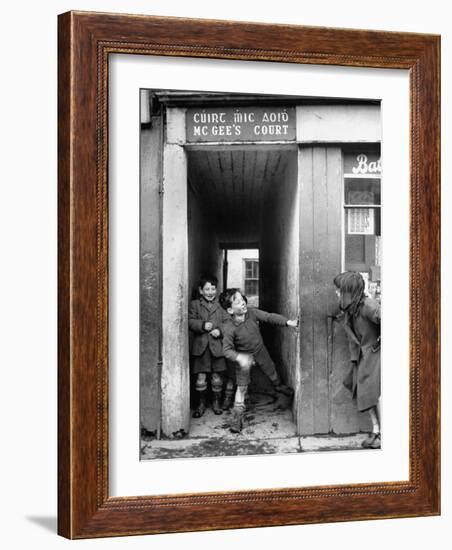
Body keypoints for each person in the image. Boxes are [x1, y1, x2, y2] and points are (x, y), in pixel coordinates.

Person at [219, 288, 298, 433]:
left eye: (242, 299)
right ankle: (237, 418)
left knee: (271, 370)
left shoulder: (252, 313)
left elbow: (269, 317)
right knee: (242, 387)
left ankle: (279, 387)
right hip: (243, 357)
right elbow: (227, 350)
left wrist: (288, 322)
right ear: (230, 310)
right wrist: (240, 357)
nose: (242, 303)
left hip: (260, 350)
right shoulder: (229, 328)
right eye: (237, 302)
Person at [334, 271, 381, 449]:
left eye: (339, 290)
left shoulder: (369, 305)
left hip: (375, 356)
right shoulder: (351, 308)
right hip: (362, 357)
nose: (337, 293)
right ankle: (376, 430)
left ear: (349, 290)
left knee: (376, 395)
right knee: (361, 391)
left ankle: (383, 434)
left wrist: (380, 343)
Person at [189, 275, 229, 418]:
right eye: (207, 289)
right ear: (201, 291)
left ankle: (216, 403)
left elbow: (228, 323)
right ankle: (201, 405)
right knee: (200, 379)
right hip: (201, 348)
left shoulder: (222, 305)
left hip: (217, 347)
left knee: (217, 378)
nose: (210, 292)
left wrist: (220, 330)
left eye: (213, 289)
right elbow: (190, 321)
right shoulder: (195, 304)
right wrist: (202, 325)